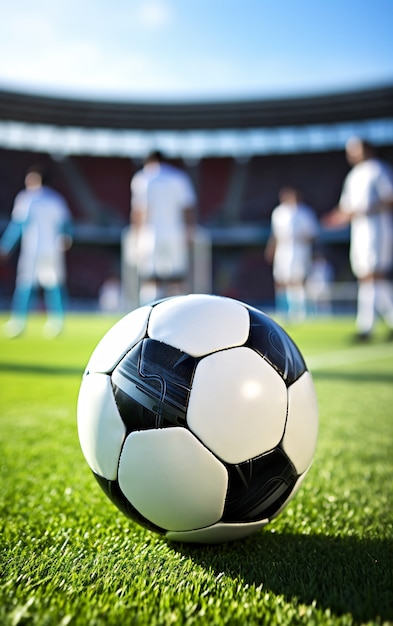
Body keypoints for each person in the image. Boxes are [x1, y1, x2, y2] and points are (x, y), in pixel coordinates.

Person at [323, 138, 393, 340]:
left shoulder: (378, 170)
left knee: (373, 275)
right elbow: (347, 209)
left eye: (356, 150)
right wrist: (333, 219)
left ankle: (366, 326)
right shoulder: (353, 176)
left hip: (377, 228)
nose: (352, 154)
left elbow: (389, 197)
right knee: (366, 276)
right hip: (359, 231)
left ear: (367, 149)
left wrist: (368, 208)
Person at [0, 163, 73, 338]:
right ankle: (57, 323)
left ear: (35, 178)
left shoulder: (26, 198)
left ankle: (18, 323)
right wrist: (66, 239)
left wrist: (6, 245)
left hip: (32, 251)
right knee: (53, 286)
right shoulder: (56, 199)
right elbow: (66, 225)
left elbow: (17, 225)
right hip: (52, 250)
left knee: (26, 286)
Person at [130, 150, 197, 305]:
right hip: (176, 233)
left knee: (150, 278)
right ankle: (179, 310)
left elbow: (139, 211)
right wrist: (189, 231)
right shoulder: (178, 177)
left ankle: (148, 312)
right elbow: (187, 207)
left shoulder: (143, 178)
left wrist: (136, 237)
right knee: (177, 277)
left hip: (150, 234)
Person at [265, 186, 319, 321]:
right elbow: (275, 234)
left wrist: (302, 239)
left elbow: (313, 234)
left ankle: (299, 312)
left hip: (299, 249)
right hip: (283, 249)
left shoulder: (305, 213)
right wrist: (271, 248)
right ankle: (283, 310)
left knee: (296, 280)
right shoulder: (278, 213)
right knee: (281, 279)